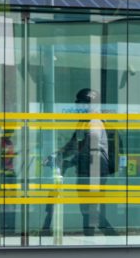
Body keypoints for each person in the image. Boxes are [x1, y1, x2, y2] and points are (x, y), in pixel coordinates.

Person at [42, 88, 117, 237]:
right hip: (85, 167)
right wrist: (57, 155)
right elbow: (73, 143)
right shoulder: (83, 122)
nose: (78, 107)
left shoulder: (95, 122)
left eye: (81, 104)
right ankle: (90, 239)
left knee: (90, 209)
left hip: (96, 168)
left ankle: (113, 237)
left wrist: (68, 161)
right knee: (85, 208)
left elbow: (89, 145)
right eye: (77, 104)